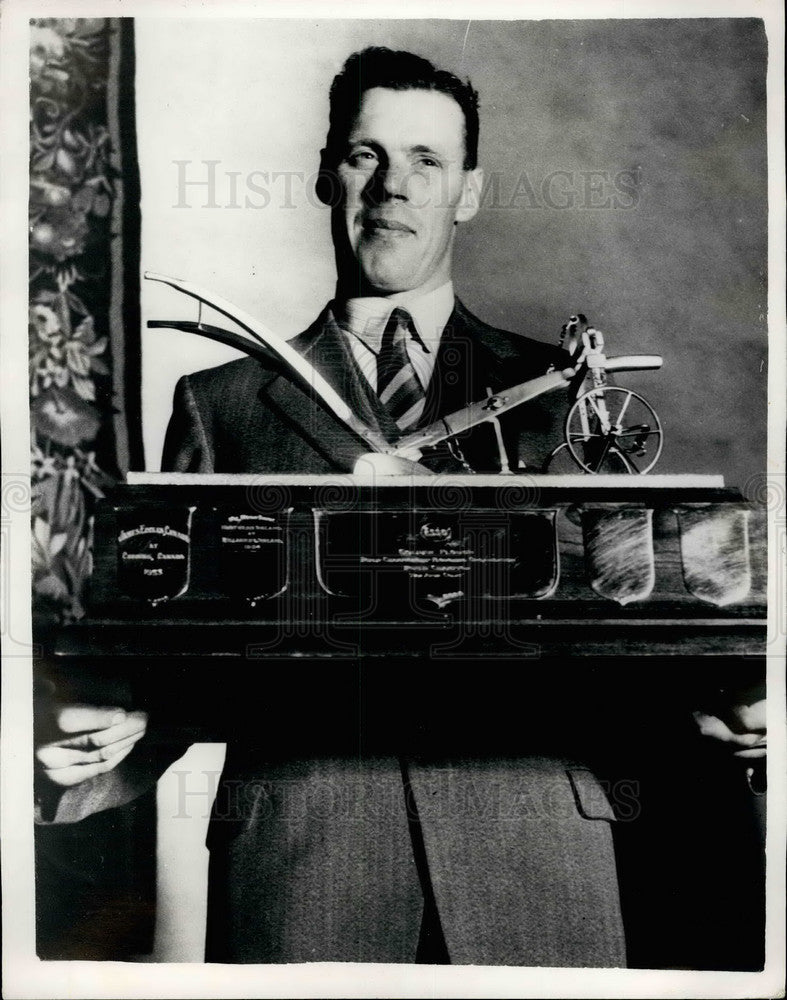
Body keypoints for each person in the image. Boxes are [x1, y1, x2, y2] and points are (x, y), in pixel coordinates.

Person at [34, 47, 766, 967]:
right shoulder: (217, 405)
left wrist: (731, 703)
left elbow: (621, 611)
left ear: (468, 189)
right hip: (302, 863)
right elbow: (181, 652)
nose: (393, 187)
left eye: (426, 160)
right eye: (365, 155)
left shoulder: (560, 396)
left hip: (537, 860)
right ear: (325, 175)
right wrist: (100, 731)